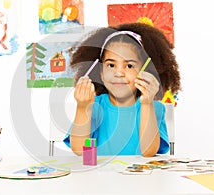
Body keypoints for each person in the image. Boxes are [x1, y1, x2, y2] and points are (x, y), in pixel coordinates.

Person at [63, 22, 181, 157]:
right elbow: (79, 150)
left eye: (129, 66)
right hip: (100, 177)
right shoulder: (93, 106)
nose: (119, 73)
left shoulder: (154, 107)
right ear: (100, 72)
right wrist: (82, 107)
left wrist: (147, 104)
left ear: (144, 71)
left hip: (141, 178)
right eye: (111, 65)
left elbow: (148, 152)